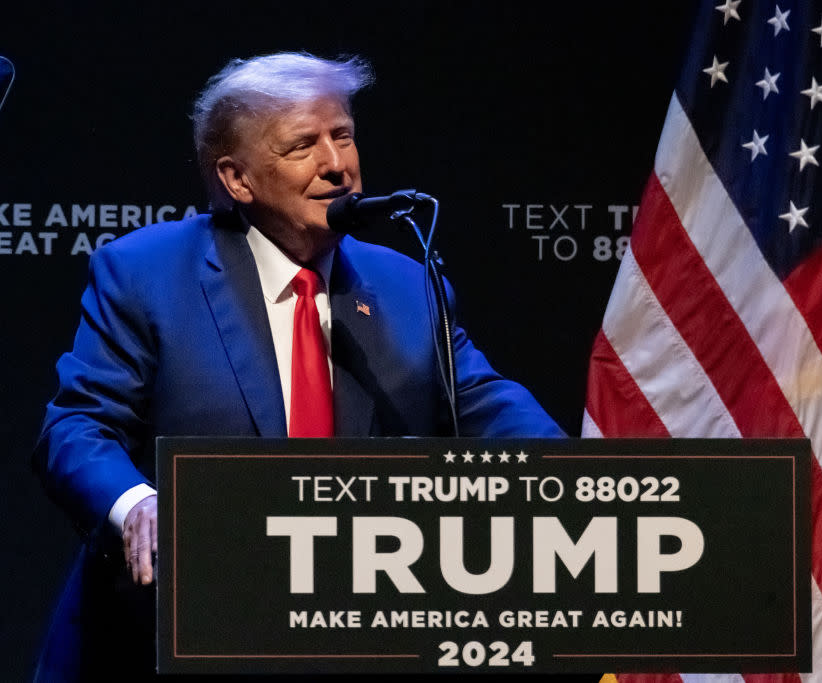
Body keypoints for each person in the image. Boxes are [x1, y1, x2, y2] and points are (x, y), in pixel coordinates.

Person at [32, 52, 564, 681]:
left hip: (353, 637)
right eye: (302, 146)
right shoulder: (147, 273)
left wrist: (577, 480)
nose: (337, 165)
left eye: (343, 135)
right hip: (172, 638)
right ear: (238, 179)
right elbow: (77, 428)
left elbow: (484, 402)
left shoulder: (404, 285)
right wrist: (138, 504)